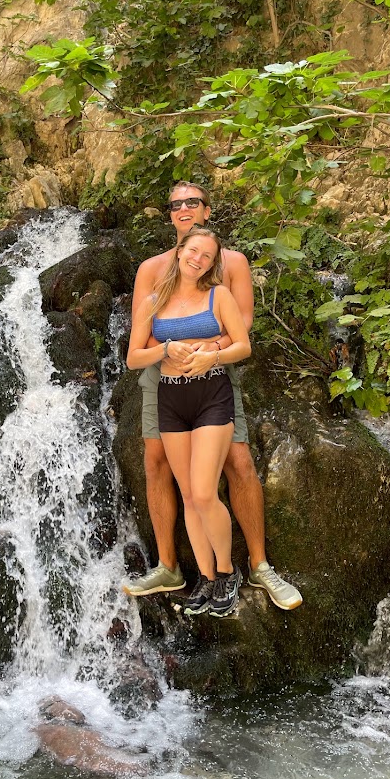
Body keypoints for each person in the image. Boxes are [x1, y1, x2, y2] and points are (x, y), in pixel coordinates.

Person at [123, 181, 302, 611]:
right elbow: (139, 335)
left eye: (192, 202)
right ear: (169, 215)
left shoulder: (231, 263)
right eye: (175, 204)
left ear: (206, 209)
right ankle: (170, 566)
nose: (184, 208)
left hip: (214, 374)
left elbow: (242, 320)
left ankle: (258, 565)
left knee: (238, 460)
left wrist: (209, 352)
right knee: (156, 461)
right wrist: (168, 353)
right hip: (162, 380)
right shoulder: (152, 269)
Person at [127, 227, 251, 616]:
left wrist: (210, 357)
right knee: (187, 497)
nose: (198, 259)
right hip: (170, 399)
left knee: (202, 493)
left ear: (214, 263)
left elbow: (242, 345)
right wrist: (164, 349)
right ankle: (205, 577)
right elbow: (133, 357)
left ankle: (228, 572)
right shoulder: (152, 301)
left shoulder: (219, 295)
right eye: (193, 250)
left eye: (207, 256)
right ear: (180, 251)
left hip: (212, 394)